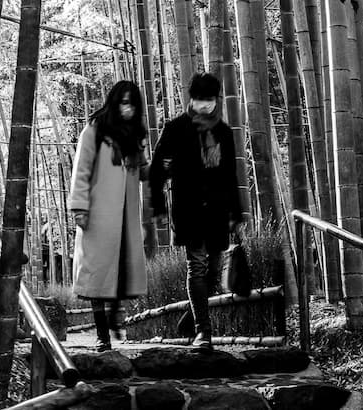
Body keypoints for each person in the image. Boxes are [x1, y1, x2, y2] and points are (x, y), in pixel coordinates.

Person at [149, 71, 242, 350]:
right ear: (192, 99)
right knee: (197, 265)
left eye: (210, 99)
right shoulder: (176, 128)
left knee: (213, 271)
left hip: (217, 210)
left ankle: (192, 316)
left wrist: (237, 214)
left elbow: (230, 175)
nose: (205, 104)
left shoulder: (224, 132)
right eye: (200, 99)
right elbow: (157, 170)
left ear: (217, 100)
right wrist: (159, 208)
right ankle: (204, 331)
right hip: (188, 209)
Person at [70, 80, 148, 351]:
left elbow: (142, 172)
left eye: (132, 103)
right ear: (114, 102)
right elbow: (81, 170)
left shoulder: (135, 135)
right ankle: (103, 336)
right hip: (98, 213)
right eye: (123, 102)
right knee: (98, 275)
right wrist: (79, 207)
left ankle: (115, 319)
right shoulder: (94, 130)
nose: (127, 108)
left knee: (120, 272)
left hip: (126, 216)